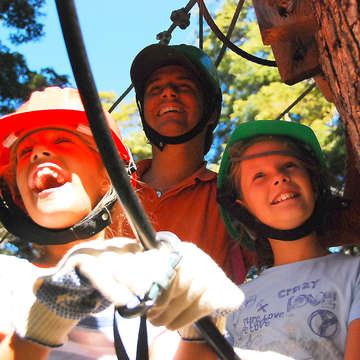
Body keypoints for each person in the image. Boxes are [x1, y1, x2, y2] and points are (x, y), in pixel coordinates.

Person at [0, 86, 243, 360]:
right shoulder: (6, 278)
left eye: (61, 142)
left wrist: (202, 327)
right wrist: (41, 325)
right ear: (18, 195)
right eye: (24, 151)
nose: (38, 154)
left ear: (108, 176)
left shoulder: (144, 280)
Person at [216, 120, 360, 359]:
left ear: (313, 184)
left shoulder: (355, 274)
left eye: (289, 165)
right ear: (244, 209)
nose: (280, 177)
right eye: (259, 175)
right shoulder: (232, 303)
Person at [128, 43, 254, 284]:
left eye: (184, 86)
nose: (168, 92)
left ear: (212, 112)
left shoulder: (233, 198)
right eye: (155, 88)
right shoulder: (111, 195)